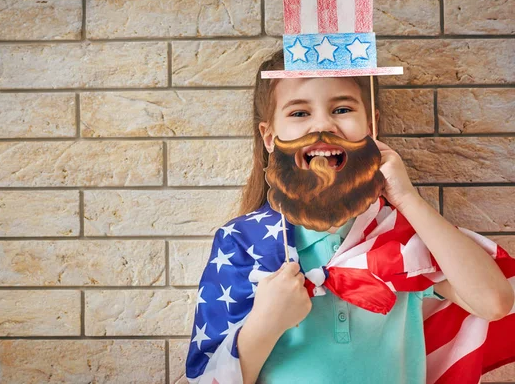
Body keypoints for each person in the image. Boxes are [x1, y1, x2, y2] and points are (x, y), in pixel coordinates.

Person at [185, 49, 514, 384]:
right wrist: (265, 325)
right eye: (299, 112)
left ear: (370, 127)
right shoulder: (241, 241)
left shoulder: (399, 235)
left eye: (342, 109)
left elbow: (494, 303)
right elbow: (208, 376)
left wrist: (407, 200)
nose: (323, 125)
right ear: (270, 137)